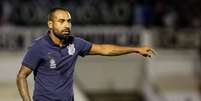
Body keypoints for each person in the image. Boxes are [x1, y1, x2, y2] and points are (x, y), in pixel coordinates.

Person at [16, 7, 156, 101]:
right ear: (50, 24)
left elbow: (104, 49)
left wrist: (135, 49)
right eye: (61, 21)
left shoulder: (75, 43)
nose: (67, 25)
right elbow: (22, 76)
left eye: (69, 21)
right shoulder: (39, 46)